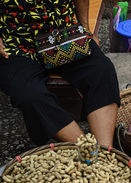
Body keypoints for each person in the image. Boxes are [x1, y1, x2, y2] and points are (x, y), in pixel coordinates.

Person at [0, 0, 120, 148]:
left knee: (101, 70)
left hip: (64, 34)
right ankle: (89, 151)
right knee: (29, 94)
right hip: (15, 43)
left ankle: (106, 152)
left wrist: (85, 29)